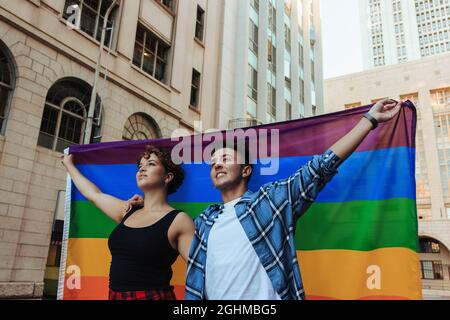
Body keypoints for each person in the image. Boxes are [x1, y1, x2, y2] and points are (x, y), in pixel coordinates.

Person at [184, 99, 403, 300]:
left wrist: (370, 120)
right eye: (213, 163)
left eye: (225, 159)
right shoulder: (205, 221)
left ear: (245, 170)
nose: (217, 165)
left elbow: (320, 167)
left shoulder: (270, 201)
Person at [61, 145, 194, 300]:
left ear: (167, 177)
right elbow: (93, 194)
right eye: (140, 166)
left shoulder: (179, 220)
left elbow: (200, 268)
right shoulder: (128, 210)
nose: (142, 169)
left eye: (151, 164)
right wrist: (69, 165)